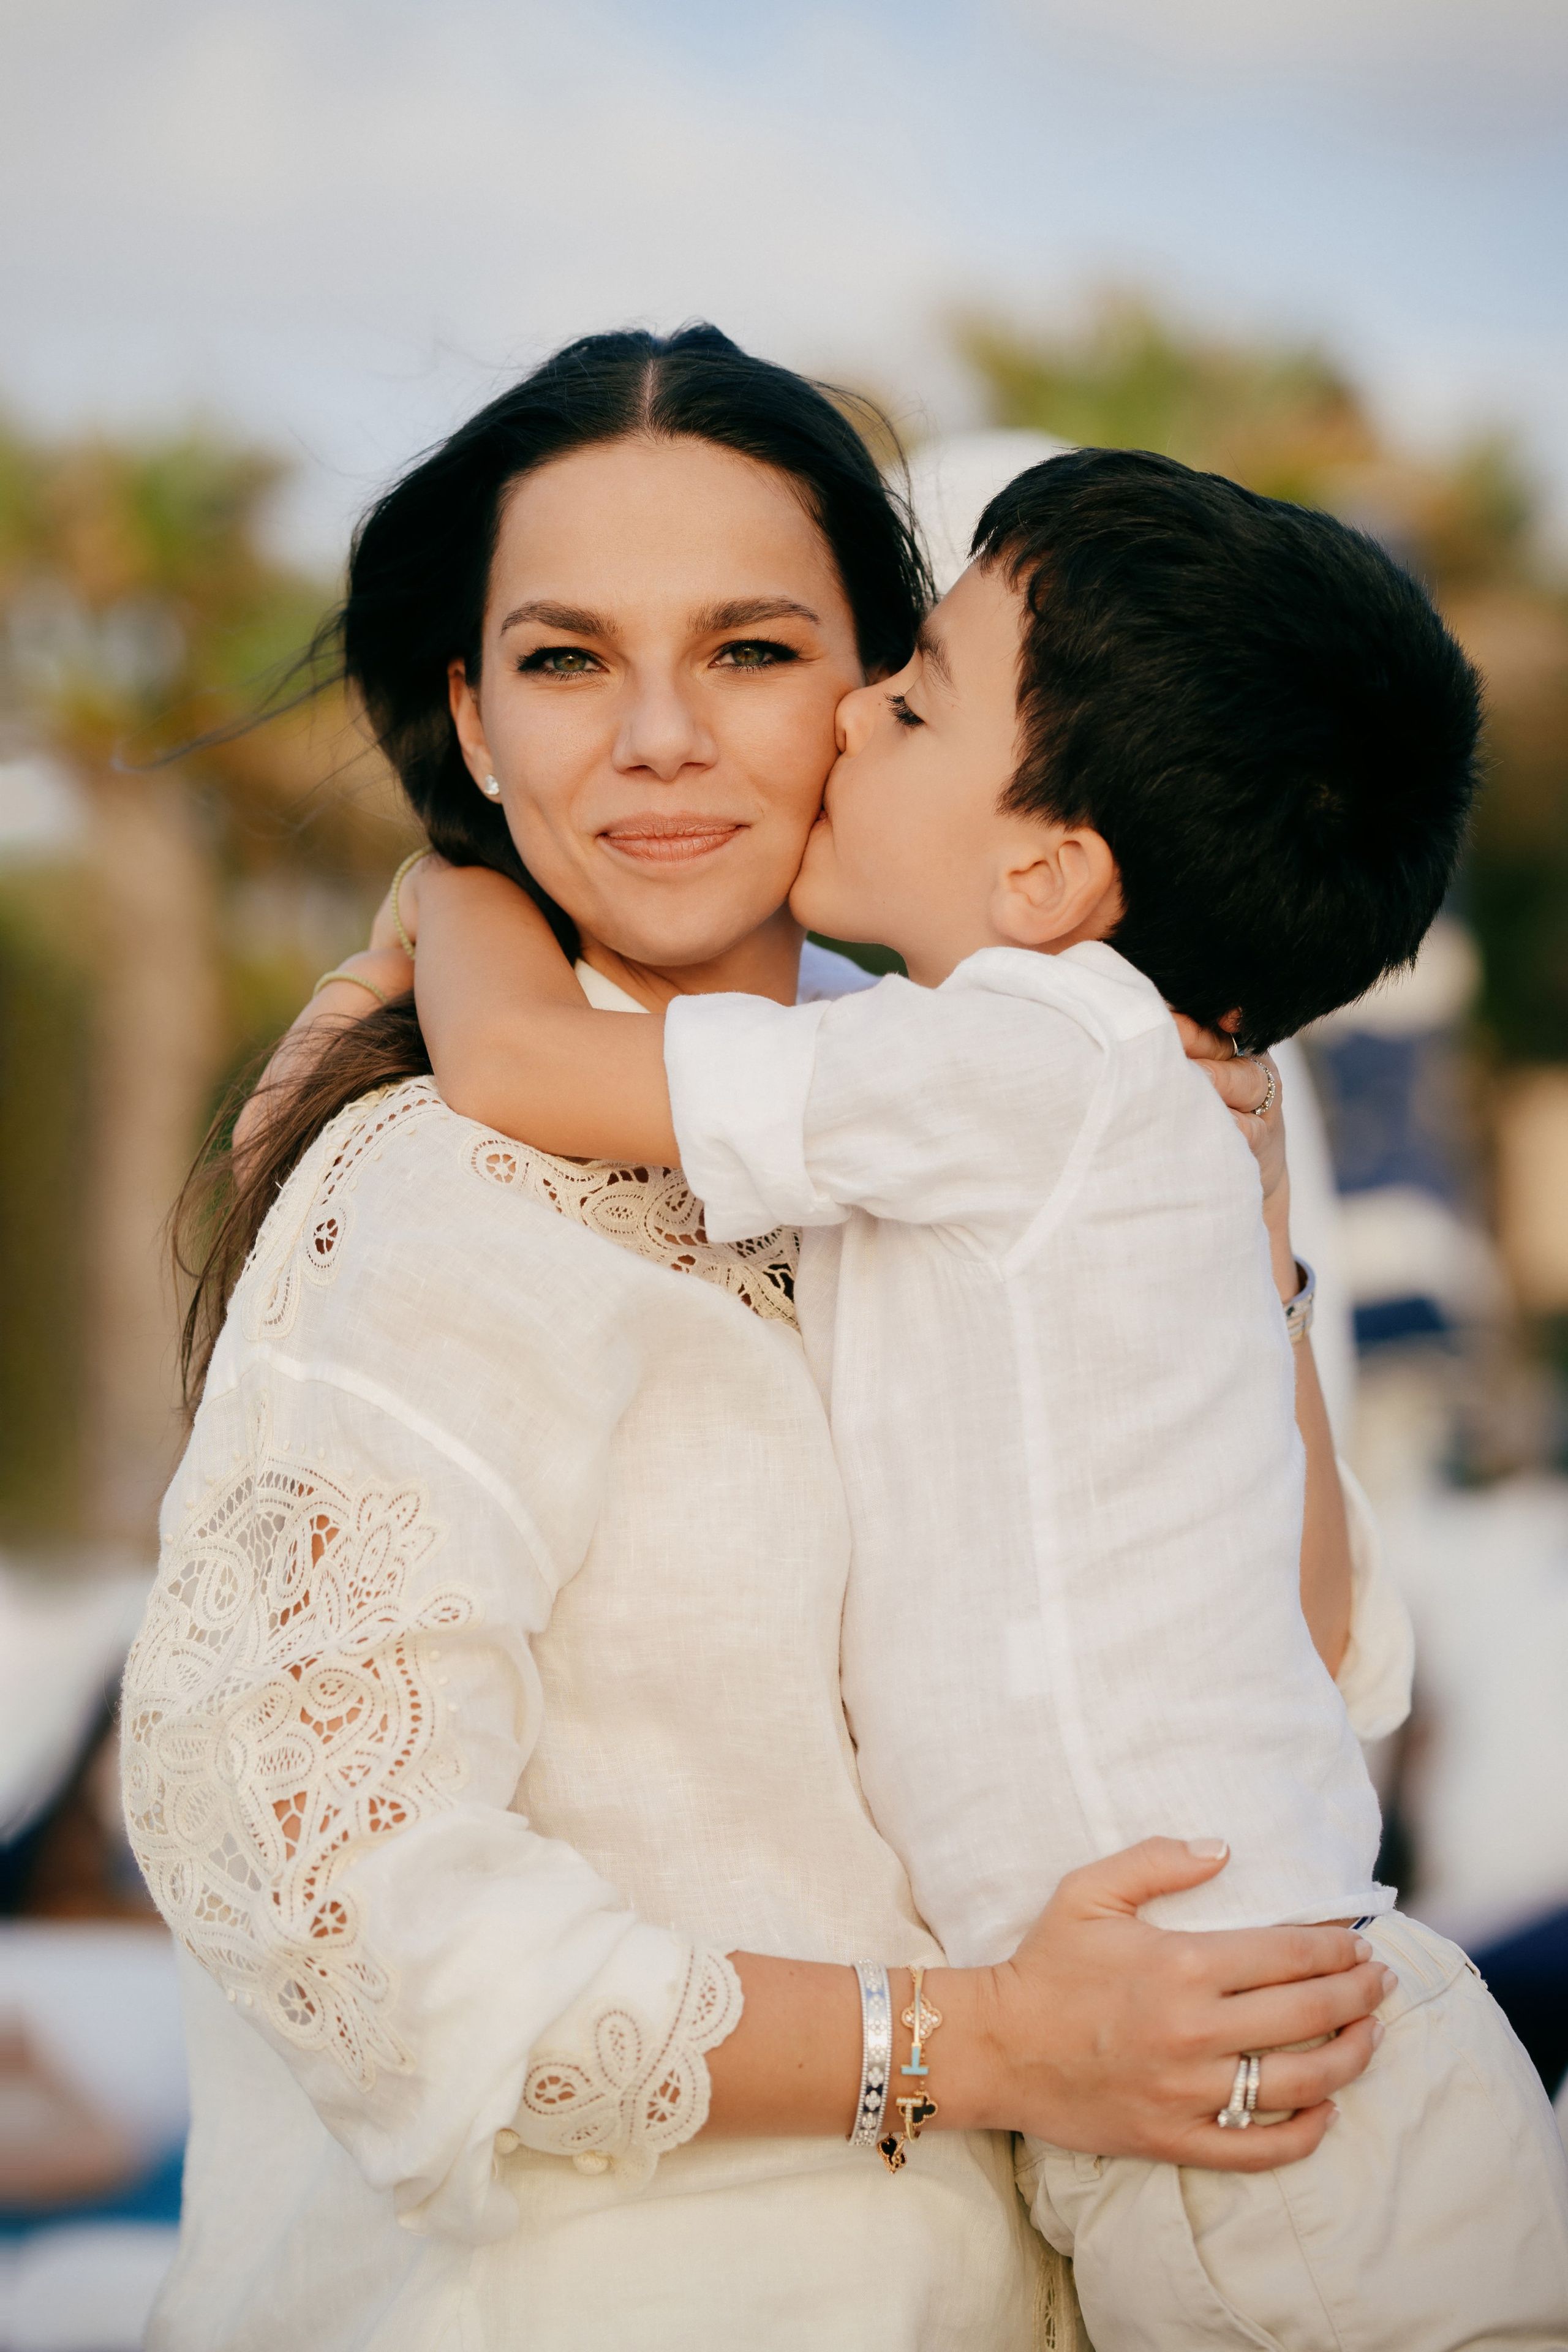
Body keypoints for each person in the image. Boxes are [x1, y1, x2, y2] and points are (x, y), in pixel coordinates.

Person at [124, 331, 1400, 2352]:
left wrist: (1237, 1239)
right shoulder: (442, 1194)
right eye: (561, 661)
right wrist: (979, 2048)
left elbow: (1294, 1676)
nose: (656, 739)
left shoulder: (976, 1138)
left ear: (887, 703)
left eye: (746, 649)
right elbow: (346, 1916)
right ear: (468, 722)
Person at [398, 447, 1568, 2347]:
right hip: (1268, 2081)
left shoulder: (1016, 1061)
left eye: (917, 693)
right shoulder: (1112, 1094)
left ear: (1048, 876)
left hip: (1251, 2126)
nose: (854, 710)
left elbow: (523, 1066)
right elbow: (1308, 1628)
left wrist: (454, 881)